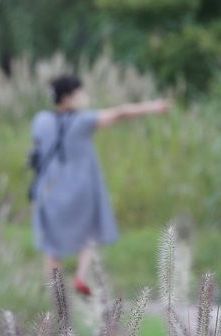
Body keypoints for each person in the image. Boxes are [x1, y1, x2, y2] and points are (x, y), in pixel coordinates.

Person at [31, 75, 171, 295]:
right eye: (80, 93)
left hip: (49, 188)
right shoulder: (83, 121)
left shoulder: (40, 119)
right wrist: (153, 107)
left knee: (51, 243)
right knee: (90, 232)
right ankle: (80, 276)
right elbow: (120, 113)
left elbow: (37, 147)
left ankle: (54, 292)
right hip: (81, 187)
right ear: (68, 97)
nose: (84, 97)